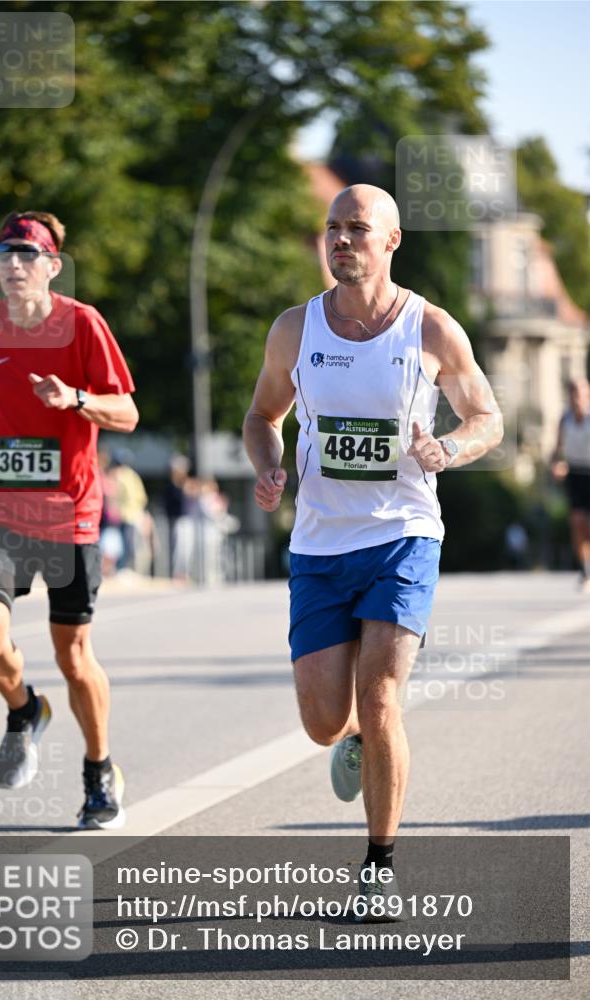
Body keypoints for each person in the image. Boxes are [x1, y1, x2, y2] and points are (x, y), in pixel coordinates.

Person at [243, 184, 503, 917]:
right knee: (326, 721)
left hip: (401, 535)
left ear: (391, 242)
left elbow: (487, 416)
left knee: (382, 696)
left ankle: (379, 865)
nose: (340, 240)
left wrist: (446, 446)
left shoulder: (430, 329)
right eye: (332, 228)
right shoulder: (295, 330)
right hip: (319, 546)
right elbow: (262, 414)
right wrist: (267, 462)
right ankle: (349, 735)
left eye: (357, 228)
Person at [0, 210, 138, 829]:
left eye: (26, 254)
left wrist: (73, 399)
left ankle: (100, 771)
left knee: (73, 656)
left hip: (69, 516)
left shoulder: (83, 325)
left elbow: (126, 412)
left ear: (50, 266)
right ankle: (24, 709)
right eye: (4, 255)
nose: (13, 265)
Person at [551, 377, 590, 591]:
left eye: (580, 393)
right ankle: (585, 570)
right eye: (573, 393)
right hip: (575, 473)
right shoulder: (564, 419)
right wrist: (557, 464)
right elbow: (557, 450)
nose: (576, 398)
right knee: (577, 522)